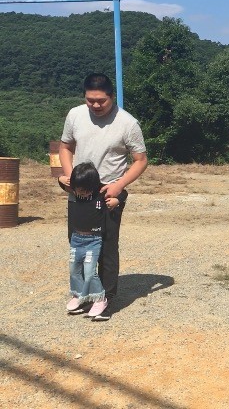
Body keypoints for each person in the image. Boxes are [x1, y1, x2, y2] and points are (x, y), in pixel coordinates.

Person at [58, 73, 148, 321]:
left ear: (111, 97)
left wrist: (119, 185)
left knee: (106, 247)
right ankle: (82, 292)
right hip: (79, 192)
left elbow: (141, 161)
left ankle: (104, 298)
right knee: (77, 246)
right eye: (90, 100)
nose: (95, 105)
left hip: (109, 192)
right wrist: (71, 177)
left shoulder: (127, 123)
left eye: (101, 101)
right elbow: (64, 147)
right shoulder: (75, 115)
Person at [65, 162, 125, 317]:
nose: (81, 193)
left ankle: (100, 299)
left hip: (93, 241)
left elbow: (123, 192)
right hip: (77, 239)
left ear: (93, 185)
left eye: (84, 190)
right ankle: (80, 295)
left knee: (90, 272)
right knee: (74, 270)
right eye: (77, 189)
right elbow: (62, 182)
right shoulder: (76, 190)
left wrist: (116, 201)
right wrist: (61, 177)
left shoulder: (100, 193)